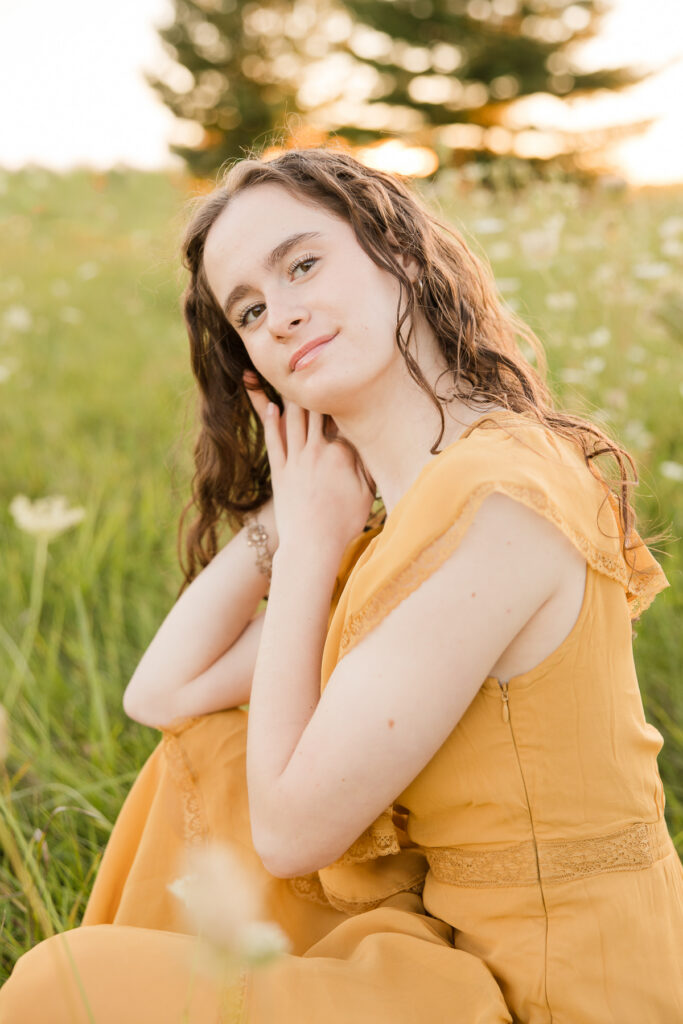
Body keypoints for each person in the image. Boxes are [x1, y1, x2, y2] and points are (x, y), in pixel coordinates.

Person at [1, 147, 681, 1023]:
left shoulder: (498, 503)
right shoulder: (405, 519)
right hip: (446, 945)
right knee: (207, 754)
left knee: (63, 988)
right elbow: (162, 694)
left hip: (555, 984)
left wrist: (313, 551)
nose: (279, 314)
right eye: (248, 309)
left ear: (399, 252)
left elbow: (289, 836)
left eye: (303, 264)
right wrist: (290, 517)